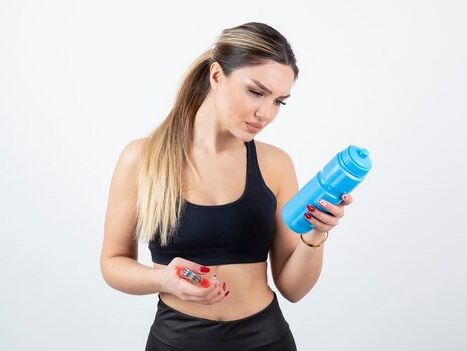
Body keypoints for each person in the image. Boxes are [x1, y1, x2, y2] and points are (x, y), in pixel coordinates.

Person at [100, 22, 353, 351]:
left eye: (280, 101)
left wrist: (316, 235)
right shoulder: (143, 159)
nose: (266, 113)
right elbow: (112, 262)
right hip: (177, 341)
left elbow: (293, 288)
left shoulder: (275, 164)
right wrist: (162, 279)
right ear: (217, 76)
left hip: (266, 339)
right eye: (256, 91)